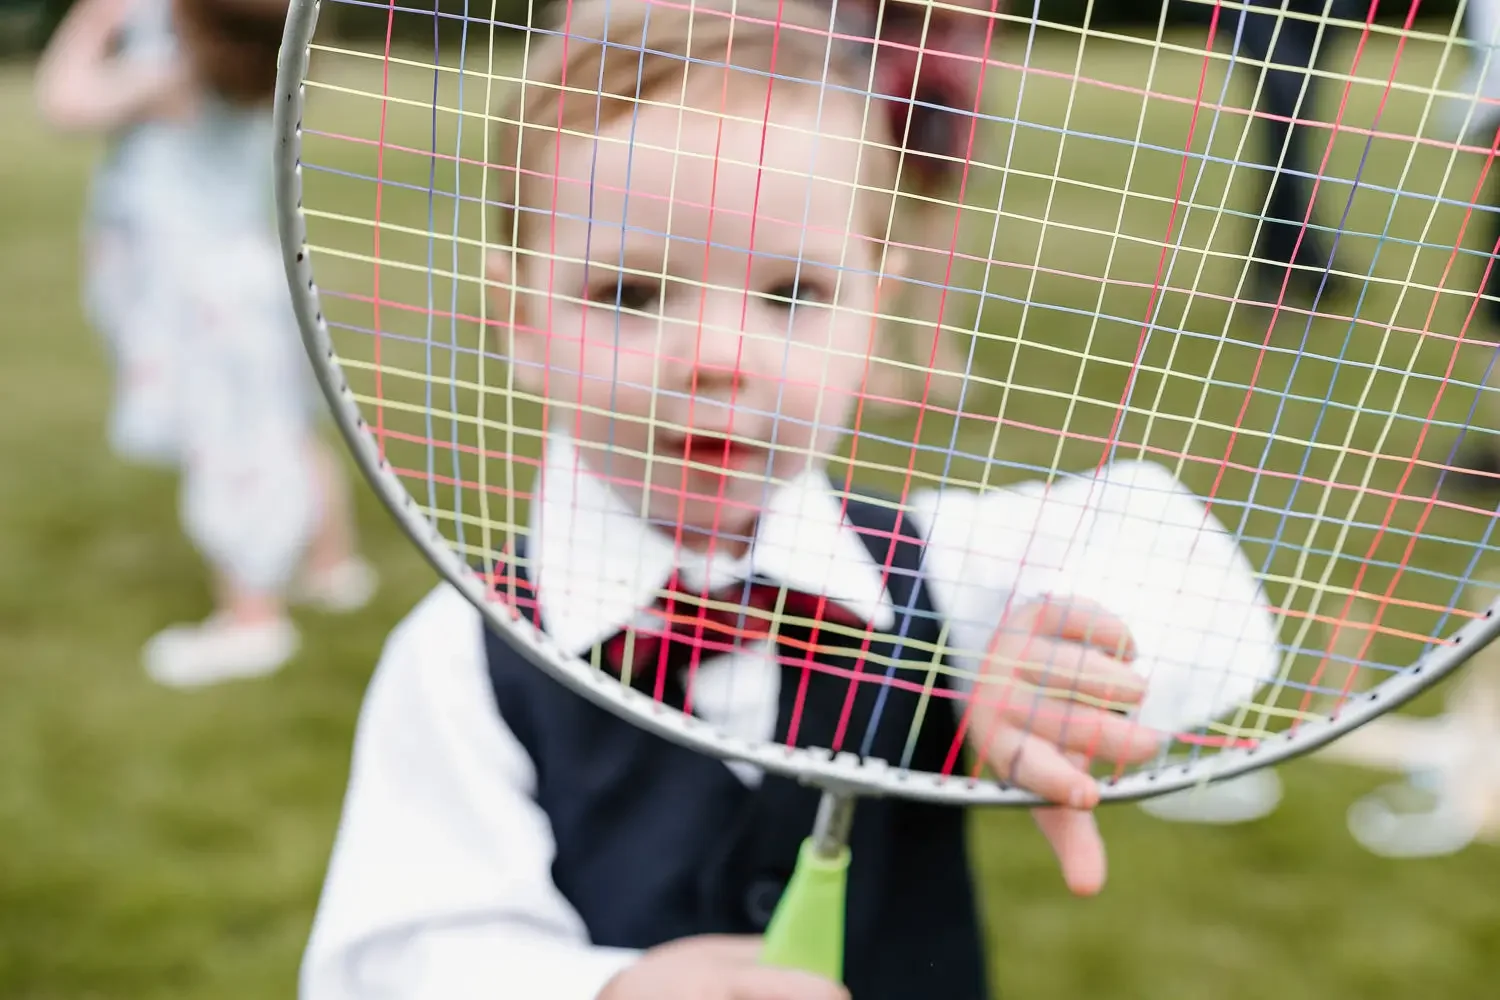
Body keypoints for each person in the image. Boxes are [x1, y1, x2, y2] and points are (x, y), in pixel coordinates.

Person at [299, 1, 1281, 997]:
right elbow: (397, 955)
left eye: (794, 295)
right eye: (632, 296)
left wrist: (1082, 658)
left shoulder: (940, 567)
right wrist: (608, 989)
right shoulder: (466, 656)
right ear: (520, 320)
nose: (721, 359)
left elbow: (1183, 564)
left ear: (875, 311)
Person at [34, 0, 376, 687]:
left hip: (200, 293)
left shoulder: (169, 71)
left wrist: (93, 22)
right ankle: (332, 567)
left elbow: (63, 104)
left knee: (229, 448)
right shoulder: (257, 61)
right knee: (284, 424)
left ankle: (252, 620)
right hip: (248, 268)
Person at [1224, 0, 1359, 310]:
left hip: (1317, 9)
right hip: (1261, 8)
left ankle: (1300, 259)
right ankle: (1281, 270)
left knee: (1295, 132)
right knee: (1287, 120)